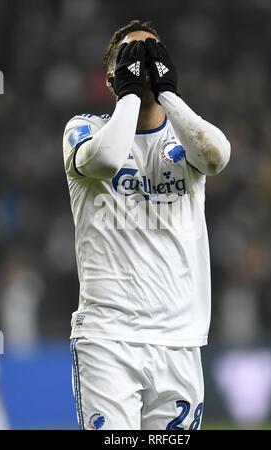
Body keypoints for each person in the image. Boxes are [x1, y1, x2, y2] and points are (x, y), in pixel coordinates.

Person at [63, 19, 231, 430]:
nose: (145, 63)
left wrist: (168, 95)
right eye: (131, 57)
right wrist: (130, 97)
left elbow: (217, 157)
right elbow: (106, 161)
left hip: (179, 340)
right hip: (108, 338)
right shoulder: (86, 130)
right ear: (111, 78)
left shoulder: (186, 138)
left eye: (154, 54)